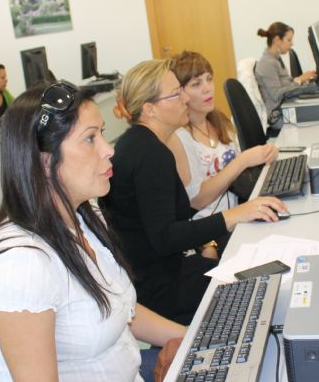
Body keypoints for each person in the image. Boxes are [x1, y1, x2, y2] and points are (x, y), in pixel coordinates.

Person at [0, 83, 187, 382]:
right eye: (90, 139)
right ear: (44, 161)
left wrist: (196, 337)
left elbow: (123, 308)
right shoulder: (19, 265)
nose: (108, 149)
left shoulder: (85, 215)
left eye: (102, 132)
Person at [101, 59, 286, 324]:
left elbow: (168, 214)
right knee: (264, 289)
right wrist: (234, 215)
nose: (186, 98)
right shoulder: (151, 155)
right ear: (150, 109)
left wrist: (219, 230)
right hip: (161, 287)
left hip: (159, 272)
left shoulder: (140, 144)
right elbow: (165, 237)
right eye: (177, 93)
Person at [167, 51, 279, 231]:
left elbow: (236, 176)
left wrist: (265, 154)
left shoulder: (220, 121)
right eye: (196, 84)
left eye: (209, 79)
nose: (207, 88)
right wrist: (242, 161)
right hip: (212, 228)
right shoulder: (180, 137)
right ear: (180, 93)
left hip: (240, 216)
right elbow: (197, 200)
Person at [255, 22, 318, 122]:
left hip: (285, 108)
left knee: (317, 108)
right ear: (277, 40)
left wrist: (302, 81)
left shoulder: (276, 59)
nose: (292, 43)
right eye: (289, 40)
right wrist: (299, 80)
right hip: (277, 116)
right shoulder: (266, 64)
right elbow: (277, 95)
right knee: (318, 114)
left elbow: (286, 82)